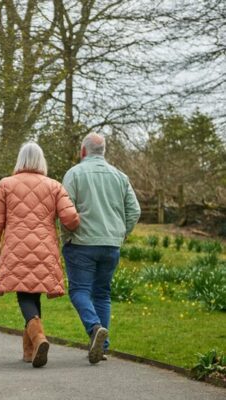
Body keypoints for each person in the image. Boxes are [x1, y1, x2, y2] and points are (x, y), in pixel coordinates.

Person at [0, 142, 80, 368]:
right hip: (44, 247)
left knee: (24, 293)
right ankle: (30, 352)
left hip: (15, 248)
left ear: (20, 160)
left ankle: (38, 338)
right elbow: (71, 219)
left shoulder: (5, 185)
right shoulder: (54, 186)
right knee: (33, 292)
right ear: (42, 161)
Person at [62, 133, 141, 364]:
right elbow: (134, 211)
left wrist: (66, 237)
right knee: (102, 293)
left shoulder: (74, 174)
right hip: (110, 244)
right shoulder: (120, 176)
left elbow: (66, 211)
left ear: (83, 151)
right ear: (103, 151)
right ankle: (102, 346)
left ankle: (95, 328)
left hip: (82, 243)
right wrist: (121, 234)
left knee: (79, 291)